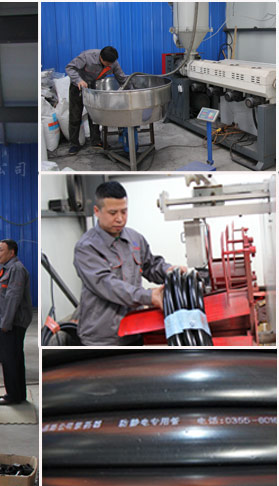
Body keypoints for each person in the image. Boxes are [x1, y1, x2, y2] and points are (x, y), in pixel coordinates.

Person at [73, 181, 187, 346]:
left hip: (134, 330)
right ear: (97, 211)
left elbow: (151, 265)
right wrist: (149, 296)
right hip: (103, 338)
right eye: (113, 213)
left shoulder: (135, 239)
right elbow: (108, 285)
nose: (120, 218)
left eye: (124, 211)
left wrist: (169, 271)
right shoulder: (86, 247)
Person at [0, 239, 32, 405]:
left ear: (12, 252)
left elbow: (13, 298)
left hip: (11, 324)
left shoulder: (16, 269)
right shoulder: (3, 269)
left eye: (1, 250)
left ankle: (13, 395)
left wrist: (5, 324)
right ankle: (17, 394)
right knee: (12, 359)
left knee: (10, 360)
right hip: (3, 321)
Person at [65, 46, 128, 155]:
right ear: (101, 58)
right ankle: (74, 144)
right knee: (75, 115)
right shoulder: (87, 57)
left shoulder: (113, 63)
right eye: (107, 64)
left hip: (94, 87)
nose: (109, 66)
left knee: (94, 115)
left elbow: (121, 78)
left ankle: (96, 141)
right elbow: (70, 67)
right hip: (78, 86)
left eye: (110, 64)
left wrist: (130, 89)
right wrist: (79, 80)